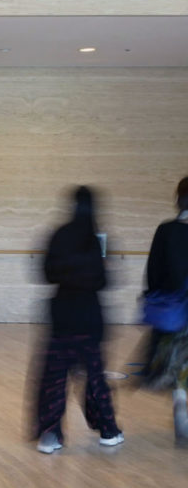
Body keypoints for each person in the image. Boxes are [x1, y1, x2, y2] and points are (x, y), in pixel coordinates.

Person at [34, 186, 123, 454]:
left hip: (62, 315)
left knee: (54, 378)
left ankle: (50, 435)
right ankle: (108, 430)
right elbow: (104, 282)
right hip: (89, 316)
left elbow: (46, 275)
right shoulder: (94, 239)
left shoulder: (58, 234)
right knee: (95, 376)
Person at [139, 176, 188, 444]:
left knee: (178, 361)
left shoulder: (166, 231)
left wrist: (151, 296)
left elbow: (154, 271)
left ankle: (180, 402)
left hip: (174, 309)